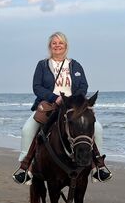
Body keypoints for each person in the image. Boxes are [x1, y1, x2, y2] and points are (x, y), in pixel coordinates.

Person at [12, 31, 111, 185]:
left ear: (66, 46)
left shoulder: (75, 65)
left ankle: (98, 166)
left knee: (97, 128)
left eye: (61, 43)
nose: (57, 46)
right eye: (54, 43)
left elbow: (84, 86)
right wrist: (55, 98)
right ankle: (26, 168)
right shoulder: (42, 65)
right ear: (50, 46)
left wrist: (72, 101)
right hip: (50, 105)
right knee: (27, 129)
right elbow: (36, 87)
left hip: (72, 107)